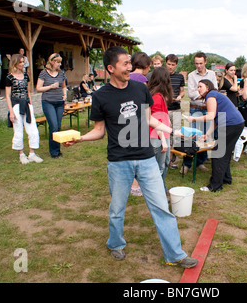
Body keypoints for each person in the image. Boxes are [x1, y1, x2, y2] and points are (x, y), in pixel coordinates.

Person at [63, 46, 198, 269]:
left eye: (130, 63)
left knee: (162, 207)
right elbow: (99, 130)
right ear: (110, 68)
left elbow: (148, 120)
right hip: (119, 161)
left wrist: (172, 131)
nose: (129, 67)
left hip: (146, 158)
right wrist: (79, 139)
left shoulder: (140, 89)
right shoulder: (100, 96)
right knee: (117, 209)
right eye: (125, 64)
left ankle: (175, 254)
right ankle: (115, 243)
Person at [185, 79, 244, 192]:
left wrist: (194, 118)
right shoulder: (214, 95)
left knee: (218, 153)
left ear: (207, 87)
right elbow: (216, 119)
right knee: (224, 152)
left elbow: (211, 116)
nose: (198, 89)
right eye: (197, 87)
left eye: (200, 86)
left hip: (231, 124)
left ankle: (215, 185)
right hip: (236, 123)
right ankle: (226, 178)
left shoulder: (211, 95)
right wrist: (207, 134)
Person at [183, 52, 218, 174]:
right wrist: (205, 93)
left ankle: (200, 162)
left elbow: (215, 90)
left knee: (204, 136)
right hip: (195, 109)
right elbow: (191, 94)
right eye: (196, 63)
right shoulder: (192, 75)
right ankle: (186, 163)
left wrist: (199, 94)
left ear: (206, 62)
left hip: (208, 109)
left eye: (200, 63)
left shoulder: (212, 74)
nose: (198, 66)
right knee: (192, 136)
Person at [5, 54, 43, 164]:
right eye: (20, 62)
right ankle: (21, 154)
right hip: (16, 105)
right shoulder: (9, 77)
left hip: (26, 104)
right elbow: (7, 95)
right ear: (15, 63)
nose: (22, 64)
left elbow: (28, 91)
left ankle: (32, 153)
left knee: (33, 129)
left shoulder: (26, 76)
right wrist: (11, 111)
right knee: (18, 130)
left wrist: (31, 104)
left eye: (23, 62)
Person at [129, 52, 152, 196]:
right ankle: (135, 186)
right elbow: (144, 101)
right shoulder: (141, 79)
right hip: (137, 119)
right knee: (137, 154)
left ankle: (128, 182)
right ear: (145, 66)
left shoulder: (127, 75)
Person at [36, 53, 67, 158]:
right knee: (53, 126)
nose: (60, 64)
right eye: (58, 62)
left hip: (59, 102)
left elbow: (63, 86)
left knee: (58, 126)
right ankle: (53, 152)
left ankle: (57, 150)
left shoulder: (62, 73)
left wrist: (65, 95)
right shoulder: (43, 73)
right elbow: (38, 88)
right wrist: (50, 86)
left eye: (60, 62)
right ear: (52, 62)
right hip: (48, 102)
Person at [148, 67, 173, 192]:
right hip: (157, 137)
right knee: (159, 166)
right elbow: (155, 121)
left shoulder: (159, 95)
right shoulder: (157, 97)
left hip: (162, 135)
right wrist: (163, 140)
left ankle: (161, 187)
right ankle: (156, 191)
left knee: (165, 163)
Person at [165, 54, 185, 169]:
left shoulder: (180, 77)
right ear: (165, 63)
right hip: (165, 109)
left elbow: (182, 91)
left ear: (176, 65)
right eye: (169, 64)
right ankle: (166, 158)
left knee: (176, 133)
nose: (170, 67)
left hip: (176, 108)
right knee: (166, 133)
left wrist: (180, 96)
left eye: (173, 65)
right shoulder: (162, 76)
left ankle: (174, 158)